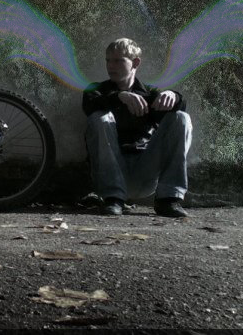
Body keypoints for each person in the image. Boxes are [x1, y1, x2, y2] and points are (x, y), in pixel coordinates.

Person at [82, 38, 192, 217]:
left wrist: (174, 96)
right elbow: (90, 104)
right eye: (108, 60)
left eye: (118, 60)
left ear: (135, 63)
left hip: (144, 172)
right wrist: (120, 96)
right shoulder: (97, 90)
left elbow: (177, 113)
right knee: (100, 117)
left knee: (181, 118)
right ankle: (113, 199)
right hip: (110, 174)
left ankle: (168, 199)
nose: (111, 66)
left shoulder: (149, 93)